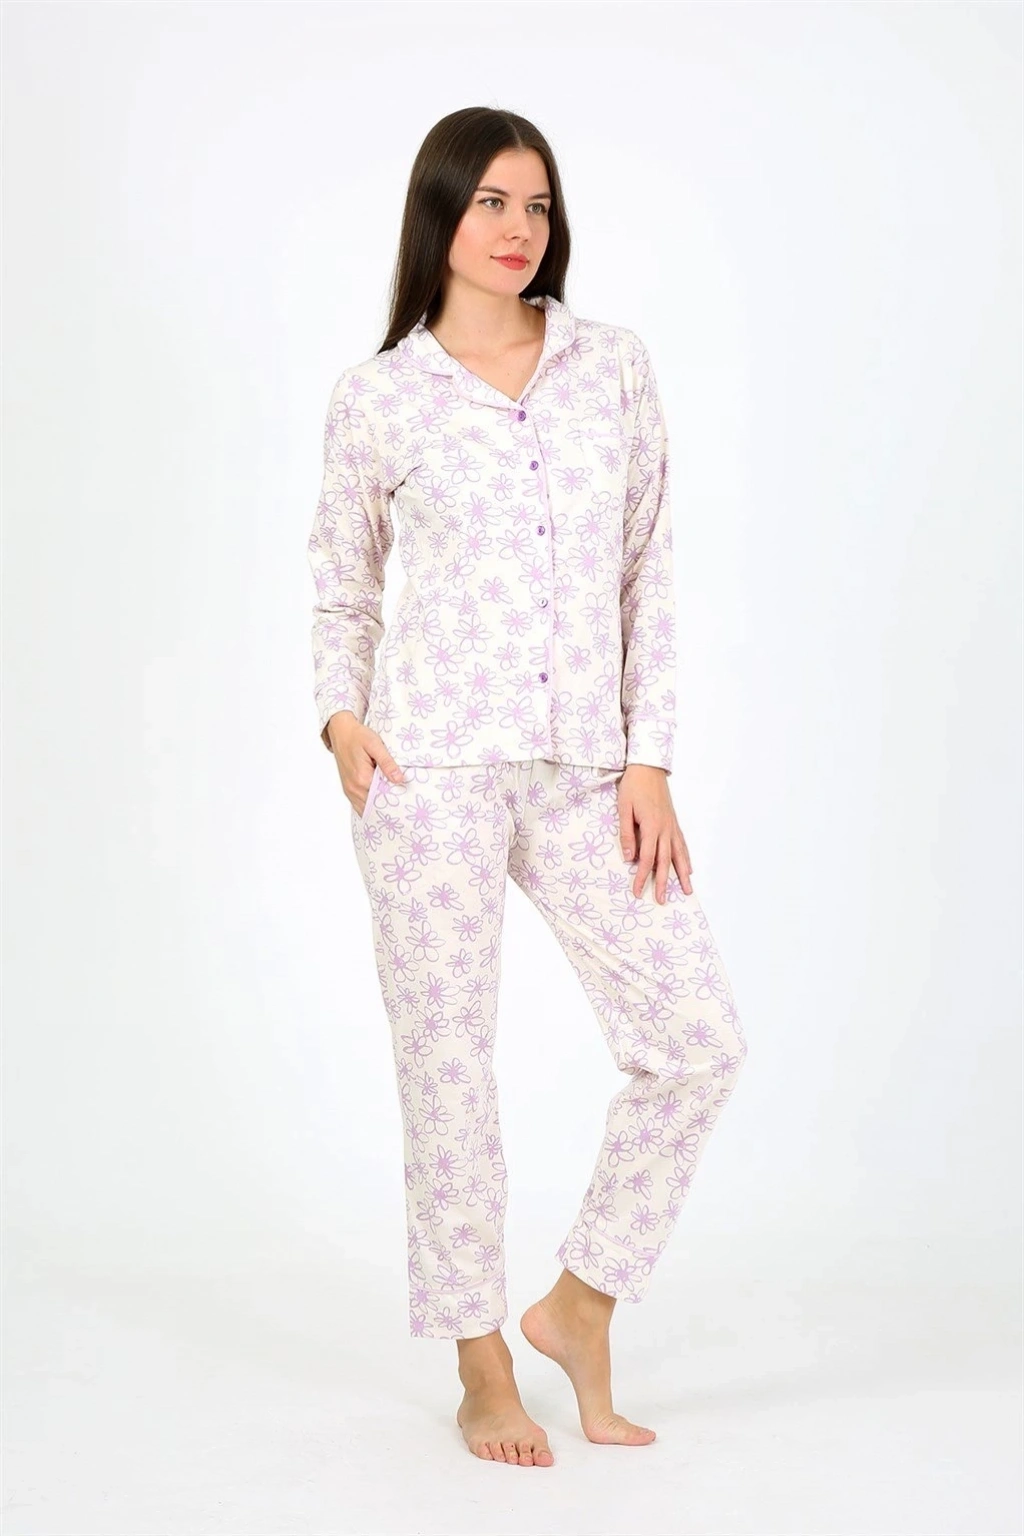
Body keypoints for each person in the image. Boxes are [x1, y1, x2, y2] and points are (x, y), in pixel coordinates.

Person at [307, 106, 748, 1467]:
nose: (516, 229)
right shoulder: (379, 396)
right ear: (439, 214)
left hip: (585, 772)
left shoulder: (610, 366)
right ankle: (480, 1363)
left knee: (696, 1041)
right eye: (490, 202)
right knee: (449, 1072)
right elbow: (341, 579)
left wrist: (649, 756)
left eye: (537, 206)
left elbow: (648, 567)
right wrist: (340, 719)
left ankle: (580, 1301)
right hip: (426, 769)